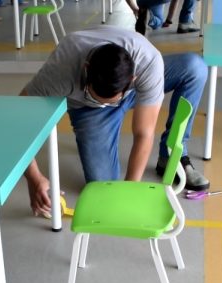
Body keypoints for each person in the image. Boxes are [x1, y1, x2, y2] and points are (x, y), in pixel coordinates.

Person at [20, 26, 209, 217]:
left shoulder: (147, 61)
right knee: (103, 186)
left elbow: (143, 133)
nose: (108, 103)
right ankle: (99, 103)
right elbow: (19, 115)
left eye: (111, 99)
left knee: (195, 68)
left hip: (133, 90)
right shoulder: (62, 69)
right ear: (86, 69)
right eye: (98, 96)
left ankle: (170, 157)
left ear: (133, 78)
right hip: (88, 109)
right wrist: (34, 178)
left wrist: (129, 190)